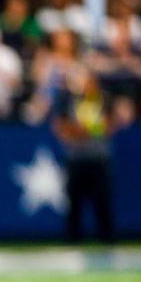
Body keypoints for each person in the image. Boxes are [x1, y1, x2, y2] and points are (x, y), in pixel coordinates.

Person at [52, 71, 119, 243]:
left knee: (103, 201)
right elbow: (61, 127)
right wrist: (79, 131)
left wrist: (89, 130)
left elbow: (111, 125)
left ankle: (107, 237)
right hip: (76, 158)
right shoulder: (69, 100)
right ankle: (73, 238)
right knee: (74, 201)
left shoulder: (104, 99)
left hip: (99, 158)